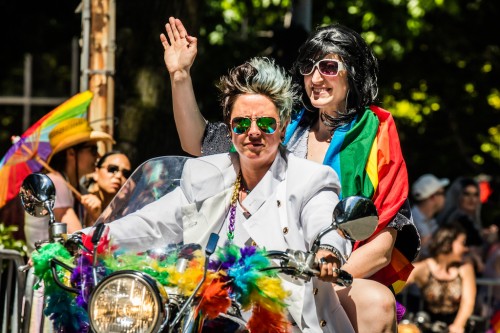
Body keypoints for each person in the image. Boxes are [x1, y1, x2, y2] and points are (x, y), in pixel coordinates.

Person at [161, 17, 420, 332]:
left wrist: (319, 280)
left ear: (352, 73)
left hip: (333, 275)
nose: (315, 78)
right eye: (308, 67)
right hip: (262, 268)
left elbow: (382, 246)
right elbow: (197, 141)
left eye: (327, 67)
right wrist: (179, 75)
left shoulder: (375, 132)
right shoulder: (281, 126)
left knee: (377, 302)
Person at [104, 57, 355, 332]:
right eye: (242, 124)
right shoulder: (206, 177)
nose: (254, 133)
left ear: (283, 128)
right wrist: (86, 240)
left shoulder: (309, 179)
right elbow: (151, 223)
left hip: (290, 324)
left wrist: (328, 251)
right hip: (205, 320)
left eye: (267, 124)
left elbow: (325, 221)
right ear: (230, 130)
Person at [24, 118, 114, 253]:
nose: (98, 156)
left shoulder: (78, 189)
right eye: (93, 150)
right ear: (71, 153)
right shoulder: (54, 182)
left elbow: (92, 243)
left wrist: (95, 215)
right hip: (49, 270)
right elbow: (80, 241)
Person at [404, 223, 476, 333]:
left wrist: (458, 325)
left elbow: (468, 302)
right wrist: (400, 312)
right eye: (462, 243)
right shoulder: (424, 268)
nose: (466, 249)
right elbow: (391, 286)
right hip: (427, 327)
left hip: (455, 328)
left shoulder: (465, 268)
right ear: (447, 243)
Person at [81, 150, 132, 226]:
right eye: (112, 169)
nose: (119, 176)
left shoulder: (127, 213)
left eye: (125, 174)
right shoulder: (81, 203)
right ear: (95, 172)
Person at [411, 173, 449, 257]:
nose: (444, 198)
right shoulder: (410, 220)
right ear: (433, 197)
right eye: (442, 193)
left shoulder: (430, 220)